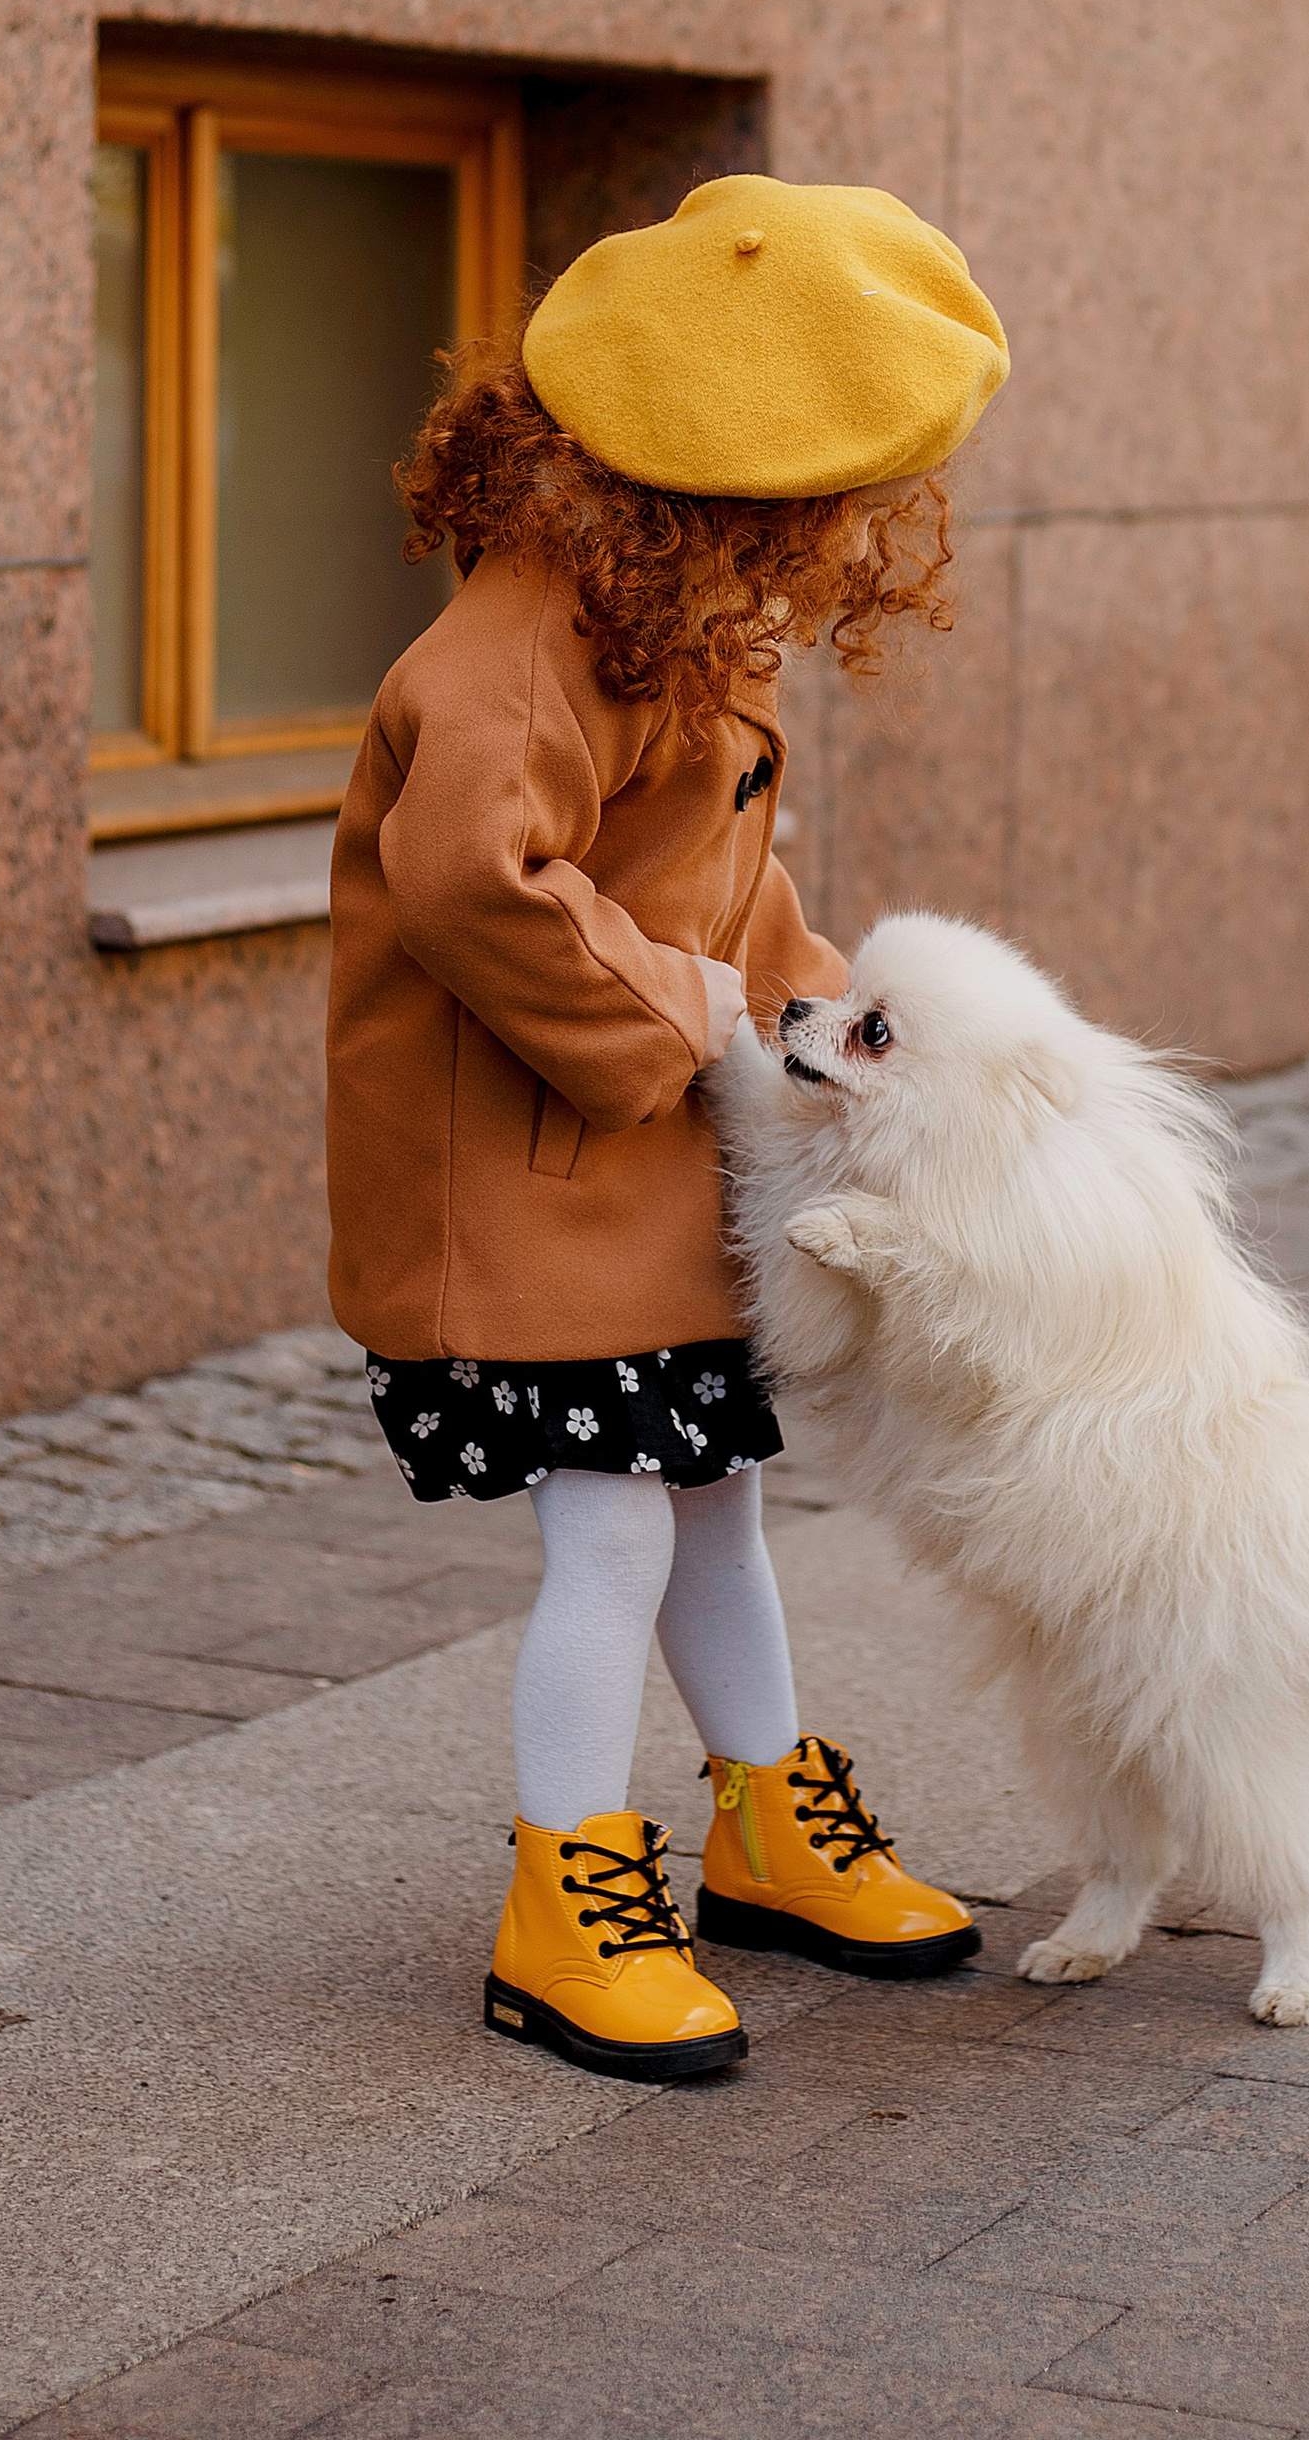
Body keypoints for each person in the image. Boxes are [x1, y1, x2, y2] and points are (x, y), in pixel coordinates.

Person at [326, 173, 1010, 2083]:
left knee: (716, 1505)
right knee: (616, 1538)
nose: (848, 545)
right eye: (834, 503)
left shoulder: (674, 617)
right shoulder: (513, 652)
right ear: (737, 488)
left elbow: (715, 886)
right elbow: (469, 881)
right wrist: (700, 1009)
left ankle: (762, 1820)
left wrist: (820, 1022)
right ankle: (563, 1895)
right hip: (523, 1188)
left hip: (629, 1165)